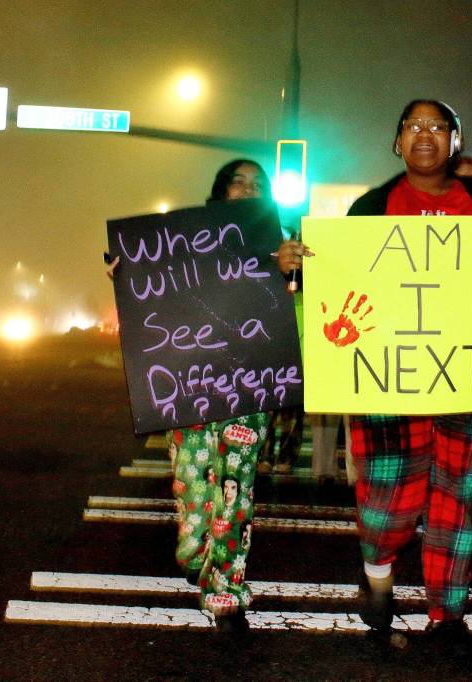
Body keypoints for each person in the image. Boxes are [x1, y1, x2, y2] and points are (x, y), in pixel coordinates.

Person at [278, 100, 472, 650]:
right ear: (397, 142)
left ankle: (447, 614)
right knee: (388, 506)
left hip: (468, 381)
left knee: (456, 498)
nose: (425, 135)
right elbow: (332, 281)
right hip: (386, 381)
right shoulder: (370, 208)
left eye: (438, 127)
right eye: (413, 126)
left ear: (455, 142)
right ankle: (378, 573)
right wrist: (300, 265)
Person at [114, 159, 275, 634]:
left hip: (251, 383)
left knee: (237, 487)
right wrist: (124, 272)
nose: (248, 190)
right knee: (194, 480)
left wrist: (289, 266)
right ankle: (195, 549)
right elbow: (151, 289)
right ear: (220, 190)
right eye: (238, 181)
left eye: (258, 185)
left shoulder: (276, 239)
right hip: (192, 383)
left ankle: (226, 587)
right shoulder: (188, 238)